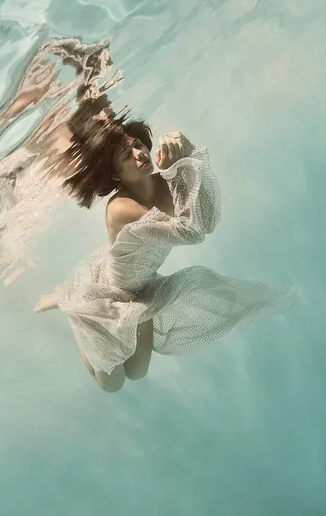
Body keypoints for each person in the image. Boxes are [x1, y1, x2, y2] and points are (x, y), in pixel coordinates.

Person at [34, 95, 296, 392]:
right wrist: (179, 169)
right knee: (111, 384)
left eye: (137, 144)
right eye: (125, 155)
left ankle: (133, 313)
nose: (139, 153)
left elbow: (206, 220)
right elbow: (189, 232)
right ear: (117, 174)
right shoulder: (120, 208)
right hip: (108, 295)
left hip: (144, 289)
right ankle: (71, 305)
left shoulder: (163, 183)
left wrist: (187, 155)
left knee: (137, 373)